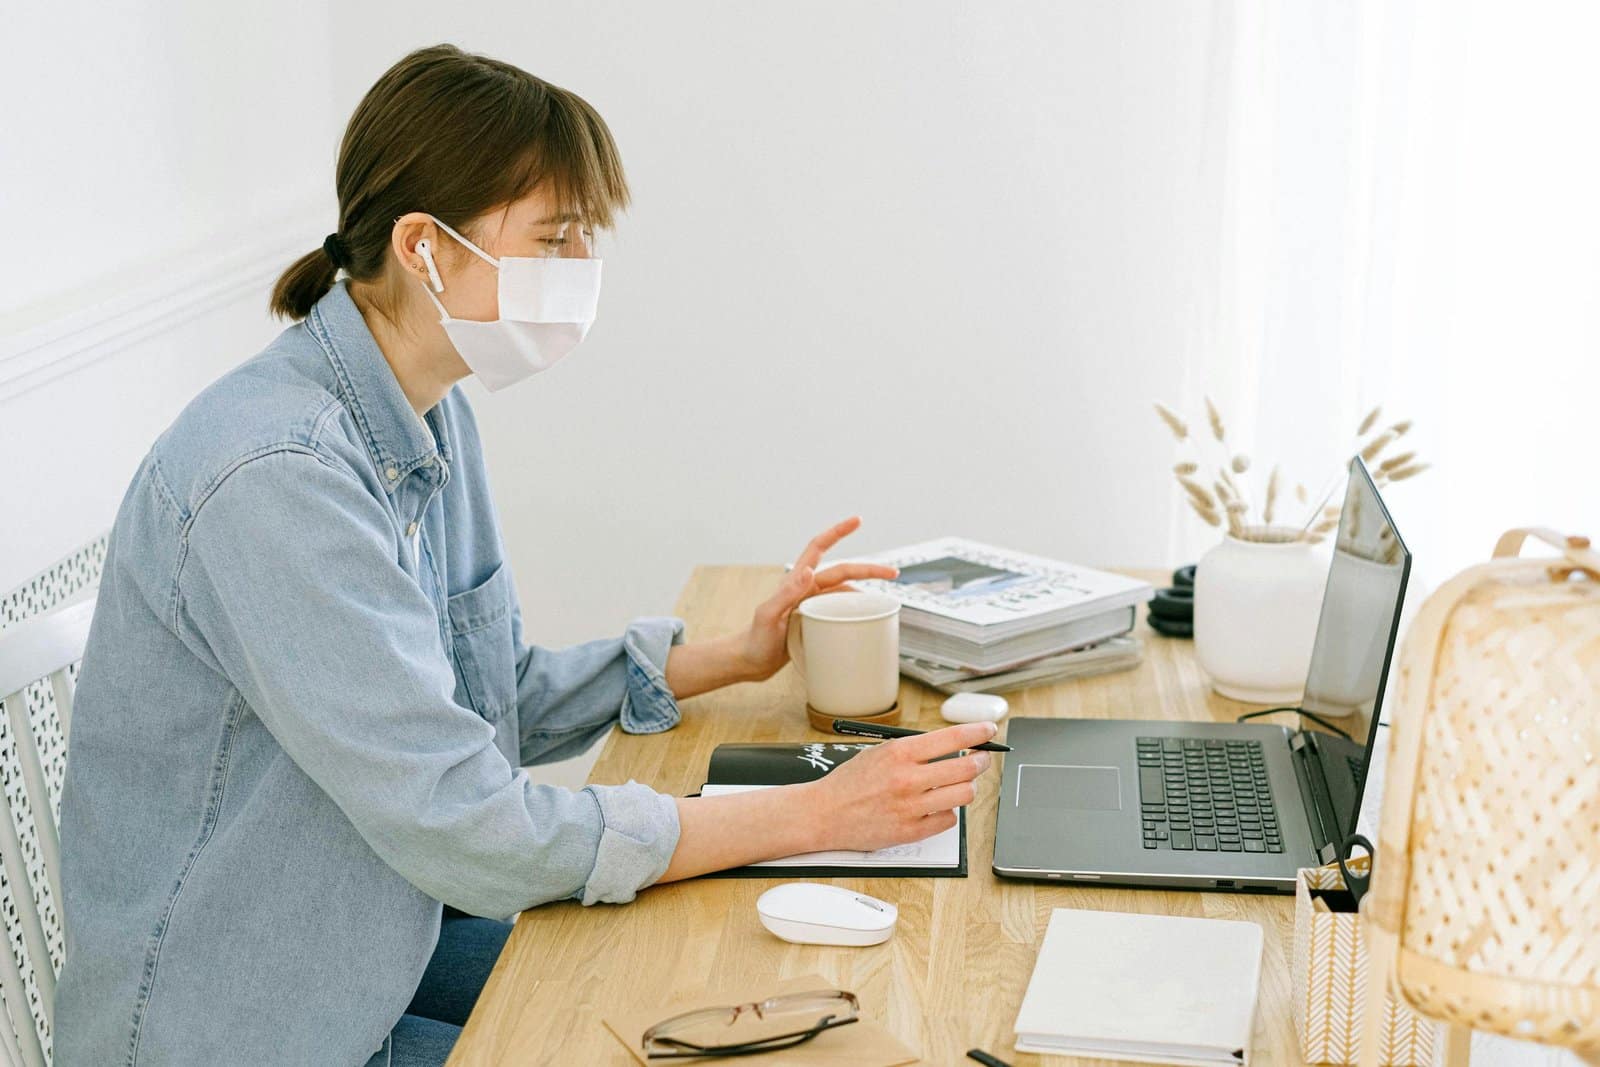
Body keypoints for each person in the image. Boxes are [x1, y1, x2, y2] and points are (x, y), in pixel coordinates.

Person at [52, 43, 994, 1066]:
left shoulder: (429, 414)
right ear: (424, 247)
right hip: (251, 1025)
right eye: (554, 237)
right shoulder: (279, 475)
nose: (579, 269)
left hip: (379, 947)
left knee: (720, 998)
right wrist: (806, 813)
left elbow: (473, 699)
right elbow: (467, 822)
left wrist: (721, 655)